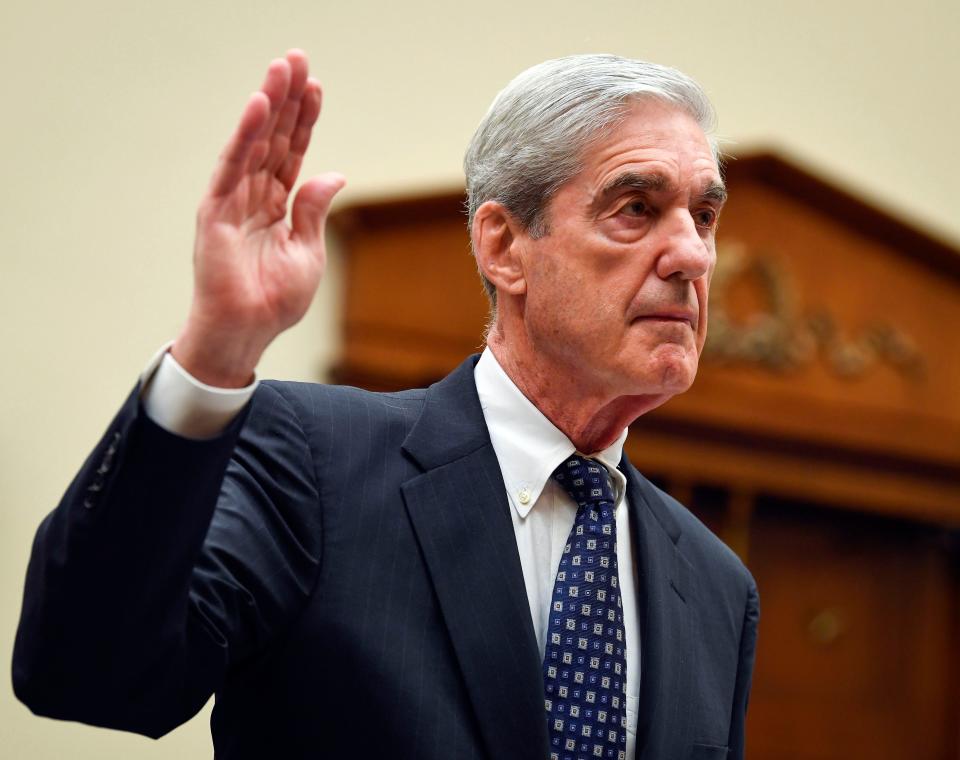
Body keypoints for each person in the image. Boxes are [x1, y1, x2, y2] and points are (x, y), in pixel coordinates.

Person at [13, 50, 758, 760]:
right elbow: (91, 673)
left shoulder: (717, 587)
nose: (691, 254)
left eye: (704, 216)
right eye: (636, 207)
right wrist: (215, 353)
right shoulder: (314, 462)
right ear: (503, 247)